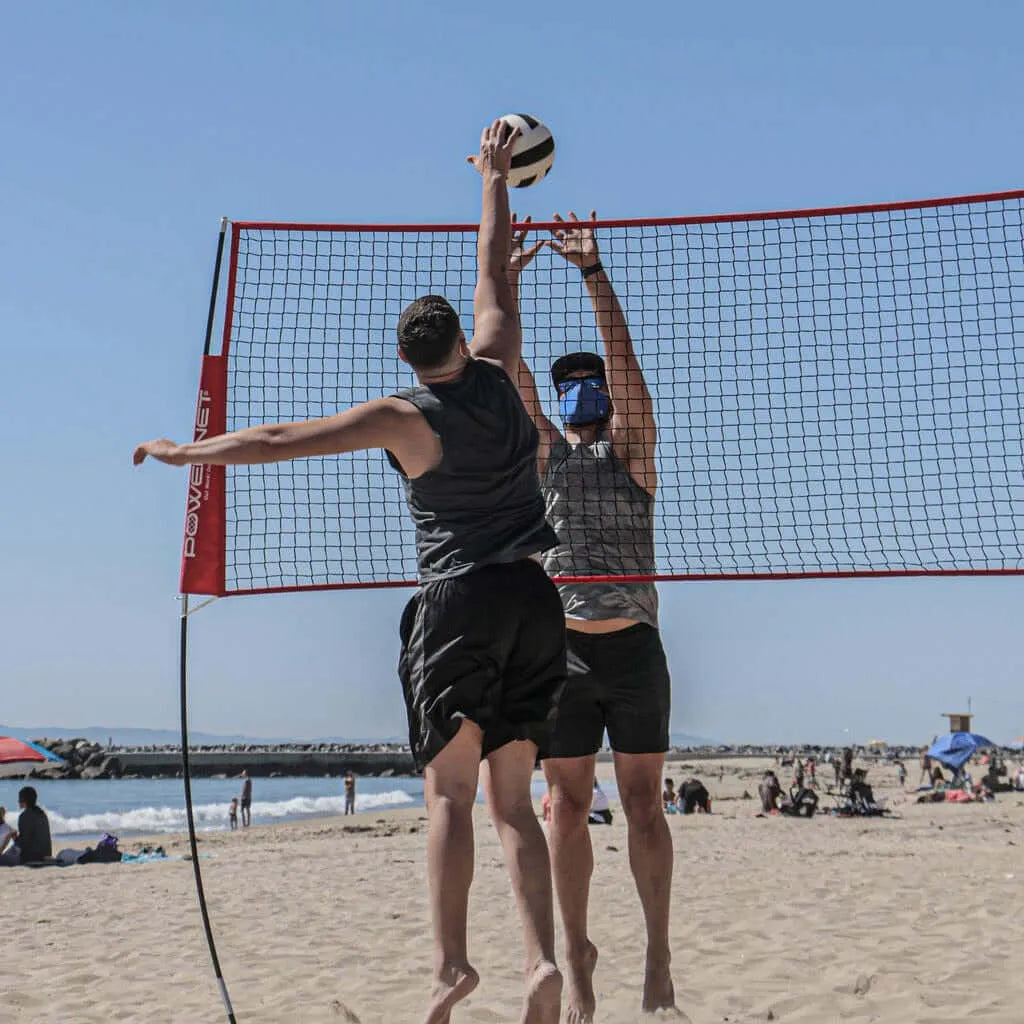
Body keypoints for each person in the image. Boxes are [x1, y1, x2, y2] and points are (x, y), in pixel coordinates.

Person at [134, 120, 565, 1024]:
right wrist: (491, 175)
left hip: (459, 600)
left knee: (449, 790)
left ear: (407, 357)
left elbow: (280, 440)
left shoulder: (403, 414)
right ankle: (539, 961)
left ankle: (451, 967)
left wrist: (188, 453)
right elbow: (492, 258)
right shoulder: (500, 357)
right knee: (514, 804)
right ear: (462, 336)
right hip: (536, 594)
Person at [509, 211, 678, 1019]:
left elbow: (626, 367)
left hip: (634, 652)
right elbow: (507, 372)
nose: (584, 392)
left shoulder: (633, 451)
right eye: (568, 381)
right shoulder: (545, 457)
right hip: (566, 656)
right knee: (563, 808)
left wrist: (592, 272)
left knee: (645, 806)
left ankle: (658, 949)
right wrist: (505, 278)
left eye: (592, 383)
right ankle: (576, 958)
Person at [16, 786, 52, 864]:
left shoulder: (24, 816)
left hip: (31, 857)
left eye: (19, 799)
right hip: (46, 855)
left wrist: (14, 838)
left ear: (23, 800)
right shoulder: (42, 813)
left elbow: (24, 843)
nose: (18, 801)